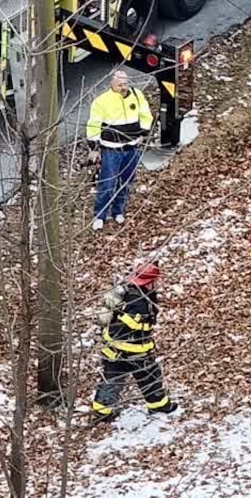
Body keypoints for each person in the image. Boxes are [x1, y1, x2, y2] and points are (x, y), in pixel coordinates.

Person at [91, 263, 176, 422]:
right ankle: (158, 405)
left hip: (113, 347)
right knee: (149, 376)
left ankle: (101, 412)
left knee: (112, 379)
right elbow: (135, 324)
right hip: (135, 348)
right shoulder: (140, 300)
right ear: (149, 282)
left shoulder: (129, 291)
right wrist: (146, 323)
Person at [86, 70, 153, 231]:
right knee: (107, 184)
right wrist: (94, 148)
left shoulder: (136, 96)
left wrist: (143, 133)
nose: (123, 87)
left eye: (125, 84)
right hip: (111, 150)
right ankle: (100, 215)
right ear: (112, 85)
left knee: (126, 182)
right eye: (119, 85)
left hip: (132, 147)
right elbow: (94, 125)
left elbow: (145, 115)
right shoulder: (102, 102)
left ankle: (118, 211)